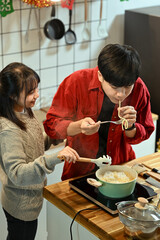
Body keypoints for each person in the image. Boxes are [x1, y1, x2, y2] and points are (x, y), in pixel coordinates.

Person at [43, 43, 155, 181]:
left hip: (120, 168)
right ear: (100, 76)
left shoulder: (139, 88)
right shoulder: (76, 82)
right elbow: (52, 127)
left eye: (127, 87)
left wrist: (130, 126)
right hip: (80, 169)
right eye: (114, 87)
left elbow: (144, 132)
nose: (121, 94)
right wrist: (79, 127)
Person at [0, 62, 79, 240]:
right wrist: (54, 158)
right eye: (30, 92)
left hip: (30, 202)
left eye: (36, 89)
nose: (36, 95)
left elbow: (31, 146)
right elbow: (18, 173)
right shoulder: (8, 130)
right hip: (20, 207)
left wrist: (54, 138)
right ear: (12, 95)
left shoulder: (25, 111)